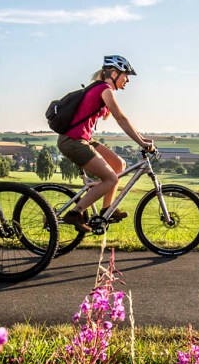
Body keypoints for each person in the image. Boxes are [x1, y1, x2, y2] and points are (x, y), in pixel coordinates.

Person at [56, 55, 154, 233]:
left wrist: (143, 139)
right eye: (126, 75)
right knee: (111, 178)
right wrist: (140, 142)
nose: (128, 80)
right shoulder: (104, 89)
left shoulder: (103, 89)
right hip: (73, 141)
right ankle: (75, 213)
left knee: (119, 164)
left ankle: (106, 210)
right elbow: (121, 119)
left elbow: (121, 119)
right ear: (114, 73)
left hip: (83, 139)